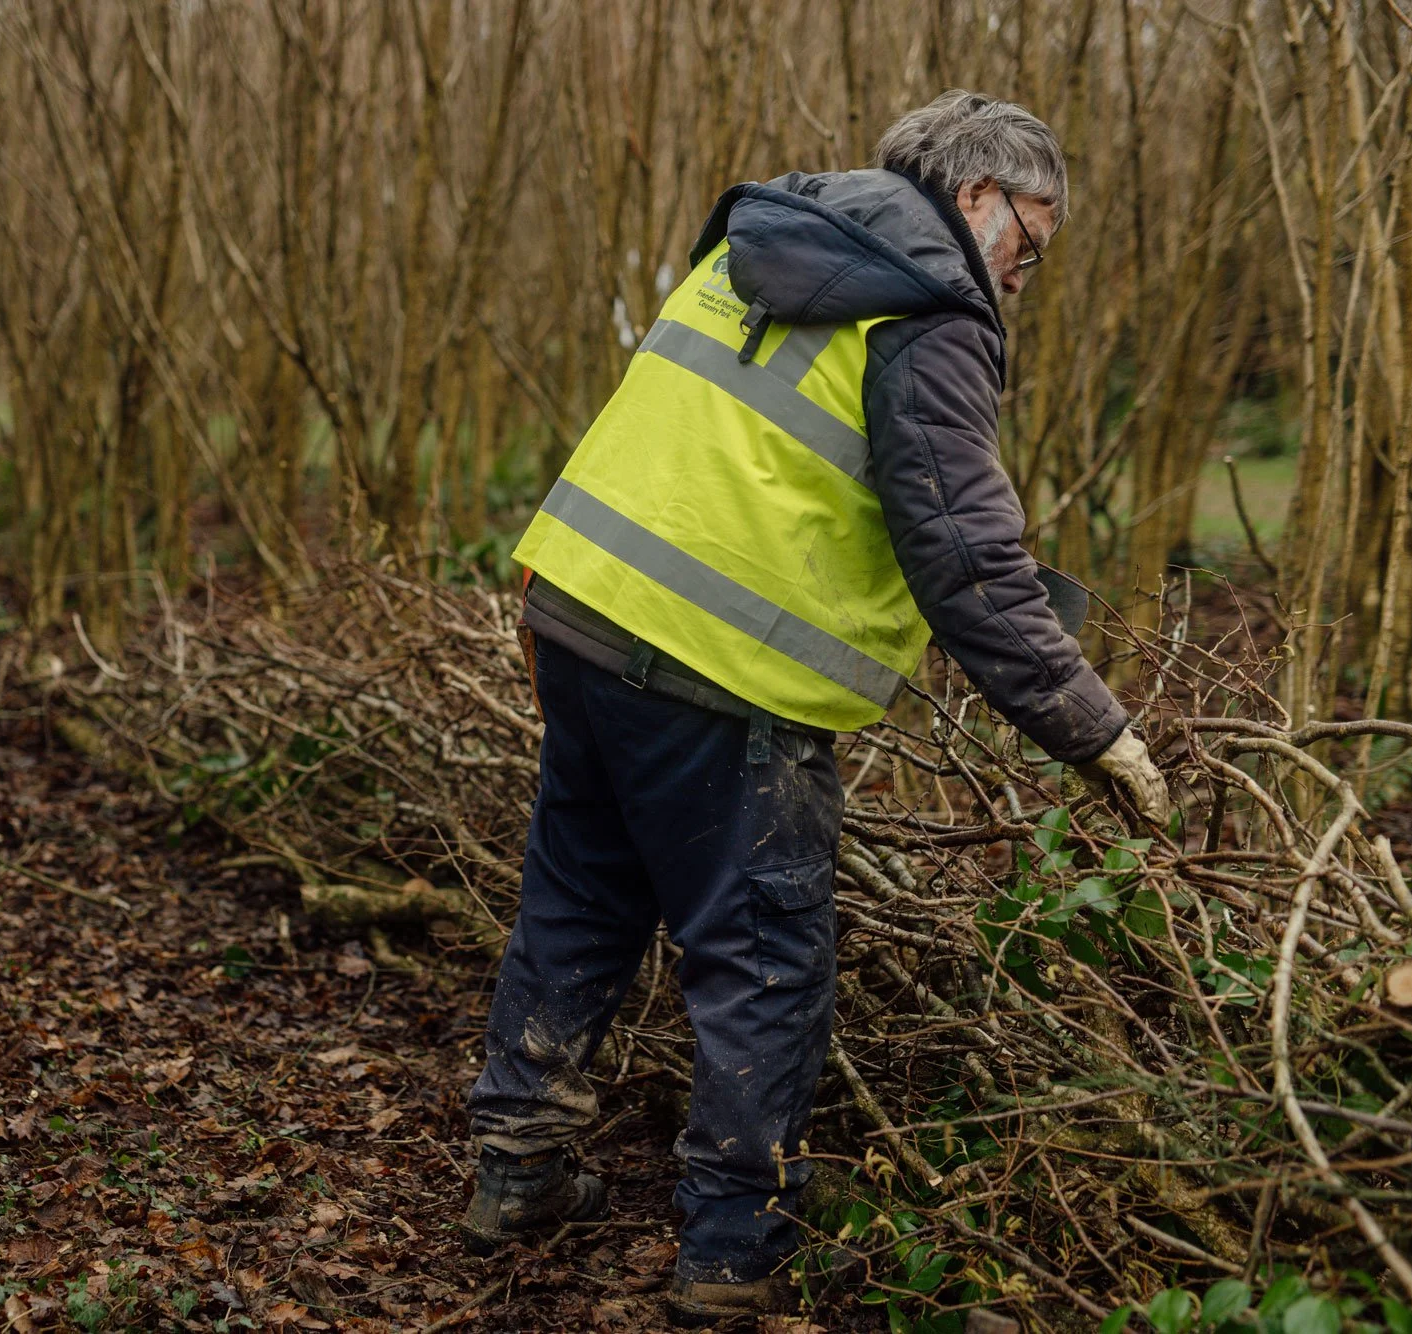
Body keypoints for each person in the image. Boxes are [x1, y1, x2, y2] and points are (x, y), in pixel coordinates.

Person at [460, 92, 1171, 1324]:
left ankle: (516, 1172)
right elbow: (959, 551)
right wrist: (1091, 724)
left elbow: (774, 467)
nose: (1024, 274)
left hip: (576, 605)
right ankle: (731, 1252)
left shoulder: (757, 243)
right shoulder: (926, 306)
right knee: (765, 954)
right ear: (972, 198)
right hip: (718, 672)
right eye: (1028, 242)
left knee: (579, 890)